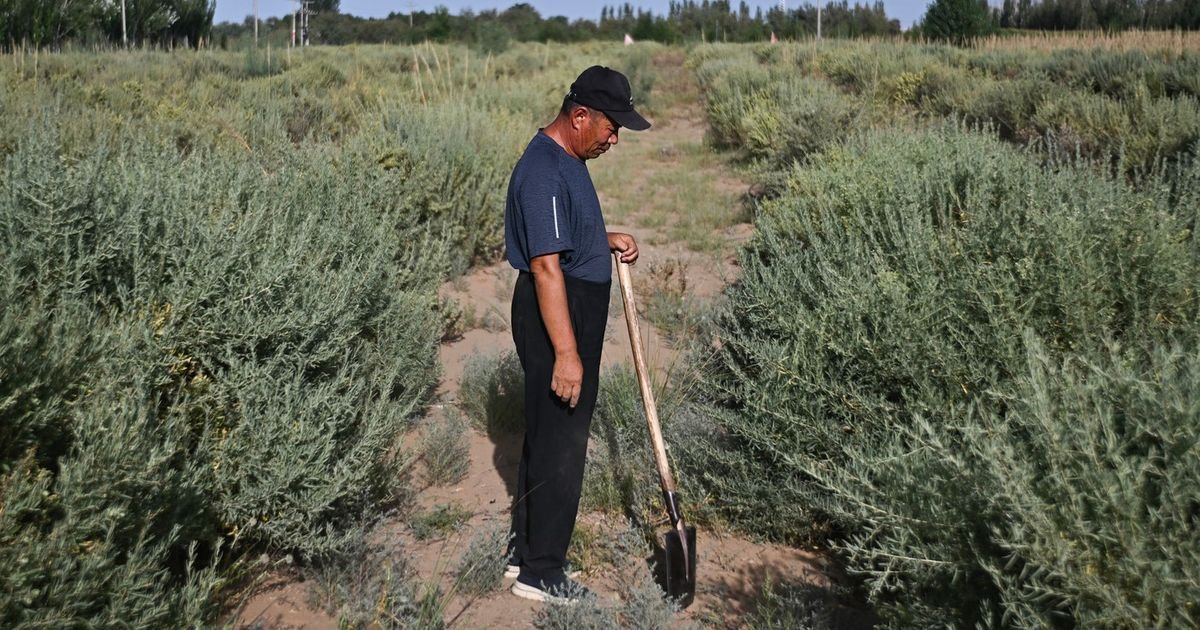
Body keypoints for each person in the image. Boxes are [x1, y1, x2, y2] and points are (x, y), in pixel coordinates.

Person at [503, 65, 651, 603]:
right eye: (612, 127)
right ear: (580, 115)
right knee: (563, 439)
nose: (615, 139)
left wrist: (601, 239)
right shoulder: (543, 168)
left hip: (567, 297)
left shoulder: (566, 158)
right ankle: (543, 572)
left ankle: (522, 549)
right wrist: (567, 352)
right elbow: (545, 268)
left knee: (546, 428)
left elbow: (559, 238)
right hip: (558, 311)